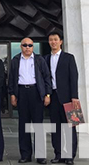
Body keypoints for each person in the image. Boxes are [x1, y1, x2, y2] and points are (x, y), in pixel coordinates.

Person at [8, 38, 52, 164]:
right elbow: (11, 79)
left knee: (38, 124)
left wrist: (47, 94)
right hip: (22, 92)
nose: (27, 47)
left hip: (36, 93)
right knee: (23, 125)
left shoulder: (39, 60)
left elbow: (47, 77)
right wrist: (12, 94)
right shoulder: (16, 60)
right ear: (21, 46)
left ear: (33, 47)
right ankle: (25, 155)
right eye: (25, 45)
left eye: (30, 45)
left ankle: (40, 156)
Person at [46, 31, 79, 165]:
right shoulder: (45, 58)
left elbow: (74, 78)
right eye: (50, 40)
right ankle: (58, 154)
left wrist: (75, 97)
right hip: (53, 97)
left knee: (70, 127)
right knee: (56, 128)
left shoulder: (69, 57)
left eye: (55, 39)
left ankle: (70, 156)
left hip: (69, 98)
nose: (53, 42)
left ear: (61, 42)